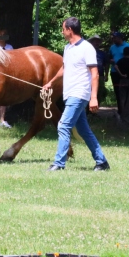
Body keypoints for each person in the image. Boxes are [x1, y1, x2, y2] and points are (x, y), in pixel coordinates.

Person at [42, 17, 110, 171]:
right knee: (84, 130)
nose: (62, 32)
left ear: (70, 30)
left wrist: (93, 97)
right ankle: (102, 162)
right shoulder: (68, 48)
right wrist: (50, 83)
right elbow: (64, 68)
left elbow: (95, 73)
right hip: (70, 94)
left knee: (63, 125)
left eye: (63, 29)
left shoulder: (87, 48)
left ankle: (59, 163)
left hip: (80, 94)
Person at [108, 31, 129, 117]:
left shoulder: (128, 46)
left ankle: (126, 110)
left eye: (115, 38)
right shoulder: (112, 47)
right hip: (115, 72)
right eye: (113, 38)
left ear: (119, 38)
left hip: (125, 73)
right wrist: (110, 61)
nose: (113, 39)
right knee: (117, 91)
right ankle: (120, 110)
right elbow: (109, 57)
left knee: (126, 91)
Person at [0, 30, 14, 128]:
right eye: (0, 35)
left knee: (3, 98)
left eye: (4, 35)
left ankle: (2, 119)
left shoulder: (9, 47)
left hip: (6, 73)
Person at [114, 46, 129, 113]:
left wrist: (121, 74)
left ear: (123, 53)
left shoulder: (121, 60)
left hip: (123, 80)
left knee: (122, 97)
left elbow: (115, 66)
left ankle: (122, 112)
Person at [87, 35, 108, 104]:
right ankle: (87, 110)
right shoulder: (87, 52)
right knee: (88, 92)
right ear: (91, 42)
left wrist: (106, 75)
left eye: (98, 42)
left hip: (100, 75)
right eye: (95, 41)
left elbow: (106, 64)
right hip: (89, 76)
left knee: (99, 91)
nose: (97, 43)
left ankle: (95, 110)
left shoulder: (102, 53)